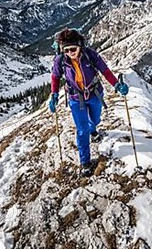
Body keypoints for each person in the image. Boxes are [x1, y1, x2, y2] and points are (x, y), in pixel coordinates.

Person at [48, 28, 128, 176]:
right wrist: (53, 94)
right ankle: (85, 162)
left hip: (94, 94)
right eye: (66, 50)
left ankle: (93, 130)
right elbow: (55, 77)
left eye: (73, 49)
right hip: (75, 98)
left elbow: (105, 71)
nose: (70, 52)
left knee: (95, 119)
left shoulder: (90, 55)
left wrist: (116, 85)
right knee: (82, 130)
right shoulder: (60, 61)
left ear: (80, 46)